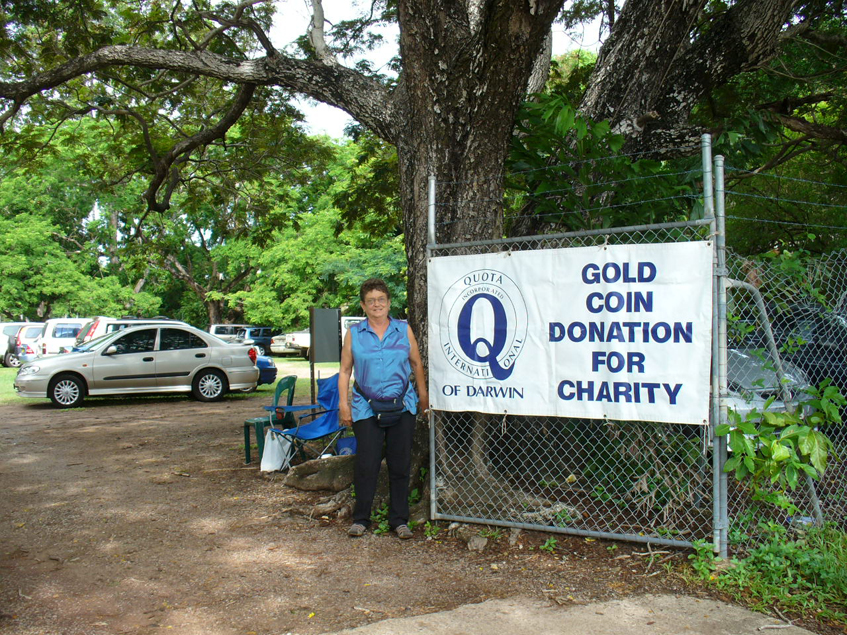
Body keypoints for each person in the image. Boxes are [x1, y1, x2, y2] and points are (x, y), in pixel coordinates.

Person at [338, 278, 429, 540]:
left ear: (389, 303)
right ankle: (361, 519)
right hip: (365, 408)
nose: (376, 304)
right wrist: (344, 405)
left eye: (381, 299)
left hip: (402, 407)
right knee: (367, 464)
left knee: (400, 465)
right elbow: (345, 370)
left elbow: (416, 364)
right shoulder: (354, 333)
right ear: (363, 305)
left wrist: (423, 398)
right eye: (371, 300)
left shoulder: (403, 330)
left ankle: (399, 520)